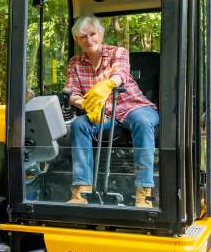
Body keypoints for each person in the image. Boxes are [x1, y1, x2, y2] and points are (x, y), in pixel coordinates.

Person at [65, 16, 159, 207]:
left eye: (92, 34)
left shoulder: (118, 52)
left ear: (101, 34)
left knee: (142, 122)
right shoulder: (75, 62)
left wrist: (108, 84)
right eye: (83, 36)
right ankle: (82, 191)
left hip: (134, 107)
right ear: (77, 40)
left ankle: (144, 193)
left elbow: (120, 74)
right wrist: (85, 104)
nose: (89, 40)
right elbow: (72, 92)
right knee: (79, 124)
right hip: (104, 114)